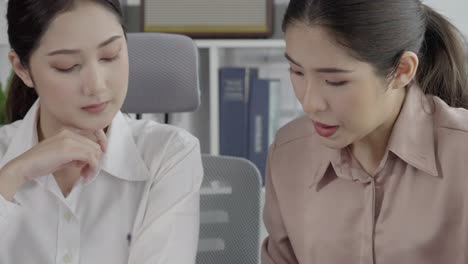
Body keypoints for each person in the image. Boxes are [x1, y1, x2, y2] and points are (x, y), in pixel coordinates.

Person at [261, 0, 468, 263]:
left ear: (402, 71)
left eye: (335, 81)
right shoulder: (288, 151)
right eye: (297, 71)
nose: (310, 103)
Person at [0, 0, 203, 263]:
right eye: (67, 66)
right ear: (22, 69)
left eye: (110, 55)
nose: (96, 86)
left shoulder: (168, 154)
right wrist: (13, 175)